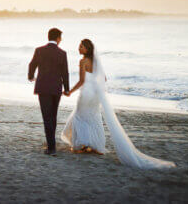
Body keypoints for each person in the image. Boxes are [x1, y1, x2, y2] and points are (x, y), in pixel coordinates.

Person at [61, 38, 175, 169]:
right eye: (79, 46)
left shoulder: (83, 61)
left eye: (81, 46)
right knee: (93, 117)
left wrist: (70, 91)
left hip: (86, 93)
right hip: (96, 94)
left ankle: (82, 144)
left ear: (87, 49)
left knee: (80, 117)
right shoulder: (96, 62)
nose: (79, 48)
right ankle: (94, 146)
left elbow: (81, 81)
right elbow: (104, 79)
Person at [28, 28, 69, 156]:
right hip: (56, 88)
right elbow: (65, 73)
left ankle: (51, 147)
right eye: (60, 38)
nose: (61, 40)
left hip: (43, 87)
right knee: (53, 116)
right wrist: (66, 88)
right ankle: (51, 144)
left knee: (47, 117)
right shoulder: (62, 53)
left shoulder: (39, 50)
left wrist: (30, 76)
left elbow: (32, 65)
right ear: (57, 38)